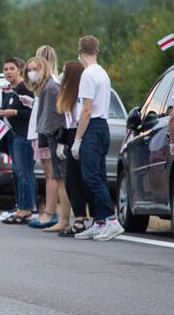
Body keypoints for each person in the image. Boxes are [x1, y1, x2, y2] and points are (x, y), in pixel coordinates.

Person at [71, 36, 124, 240]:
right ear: (97, 50)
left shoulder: (88, 74)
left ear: (80, 50)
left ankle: (111, 219)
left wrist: (77, 139)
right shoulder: (102, 72)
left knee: (91, 176)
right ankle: (100, 220)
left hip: (92, 127)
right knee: (99, 175)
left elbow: (86, 109)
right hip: (103, 126)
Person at [27, 53, 69, 231]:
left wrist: (60, 140)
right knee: (55, 177)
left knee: (58, 178)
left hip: (54, 135)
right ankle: (57, 217)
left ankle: (58, 217)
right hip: (47, 133)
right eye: (29, 70)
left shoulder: (52, 86)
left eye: (35, 69)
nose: (31, 73)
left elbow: (62, 114)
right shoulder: (44, 87)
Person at [55, 61, 93, 237]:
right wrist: (63, 142)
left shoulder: (81, 92)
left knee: (83, 179)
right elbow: (67, 120)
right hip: (71, 135)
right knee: (71, 181)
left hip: (81, 135)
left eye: (65, 72)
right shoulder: (67, 93)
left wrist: (76, 141)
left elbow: (79, 117)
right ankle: (79, 218)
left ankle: (91, 218)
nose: (62, 75)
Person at [0, 57, 36, 223]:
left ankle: (26, 209)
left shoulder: (26, 89)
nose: (8, 72)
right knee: (17, 172)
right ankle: (21, 205)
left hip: (24, 136)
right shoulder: (9, 90)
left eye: (11, 69)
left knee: (24, 172)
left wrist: (14, 113)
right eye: (5, 69)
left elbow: (33, 113)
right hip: (12, 136)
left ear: (20, 69)